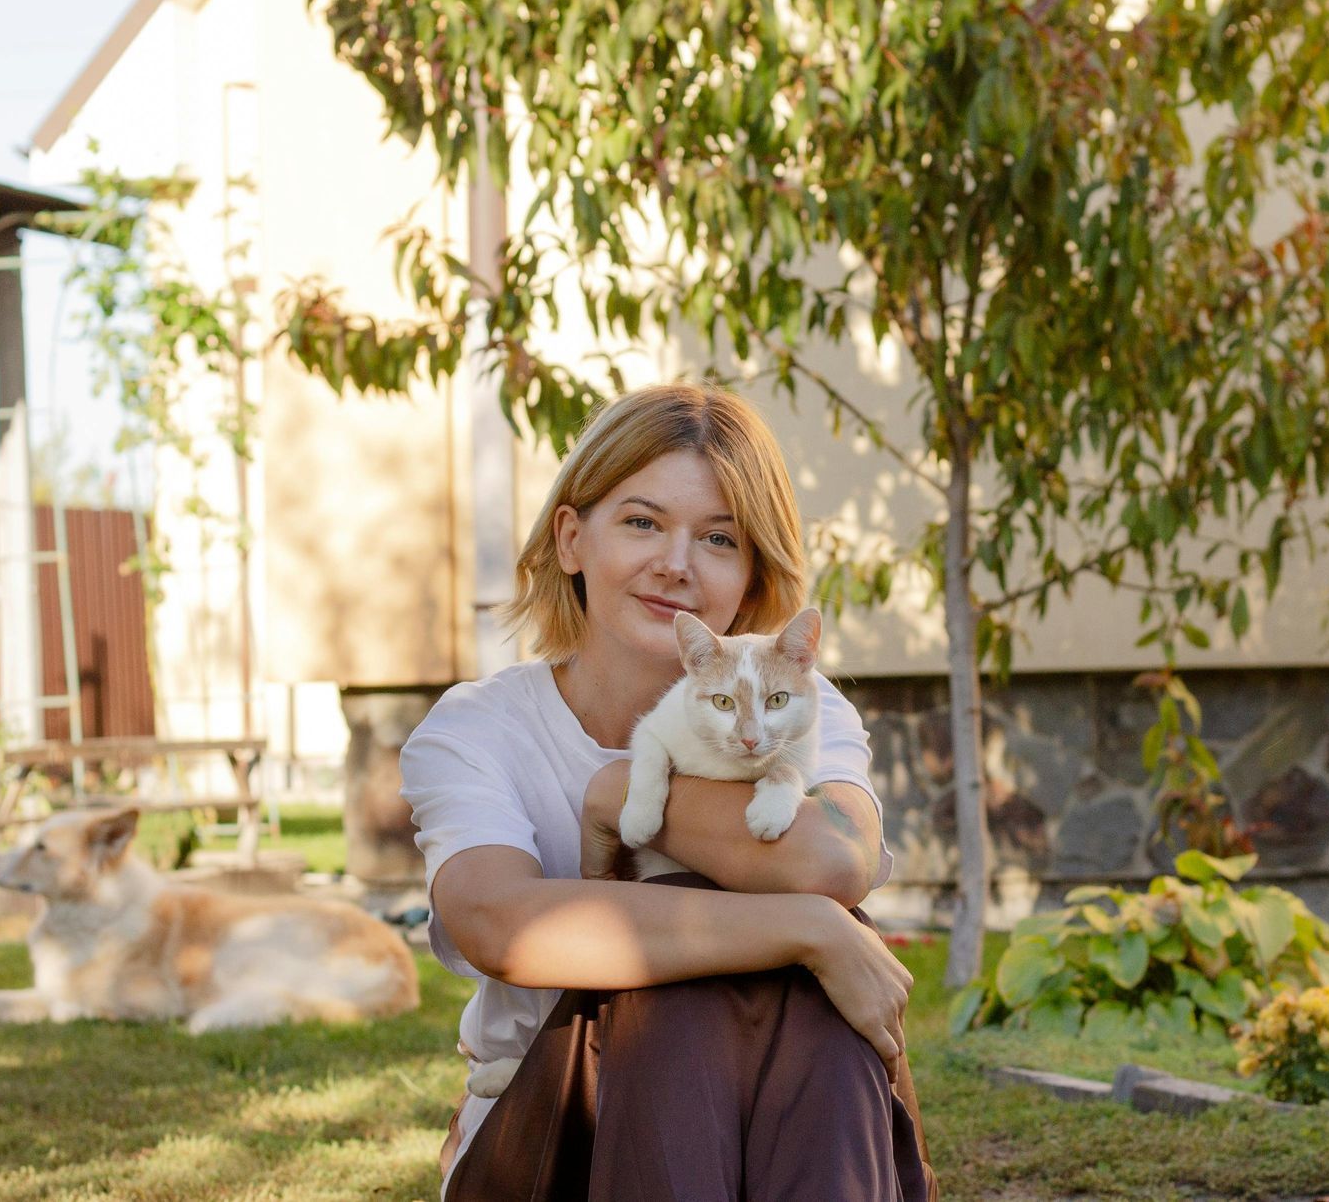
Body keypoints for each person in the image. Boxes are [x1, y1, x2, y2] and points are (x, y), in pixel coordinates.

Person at [401, 384, 936, 1201]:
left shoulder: (799, 706)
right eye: (642, 521)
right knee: (684, 998)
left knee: (811, 1015)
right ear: (572, 538)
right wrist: (806, 930)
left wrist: (624, 793)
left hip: (771, 1123)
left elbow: (833, 859)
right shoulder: (480, 726)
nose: (676, 564)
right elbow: (497, 923)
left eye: (719, 537)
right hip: (555, 1142)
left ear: (751, 573)